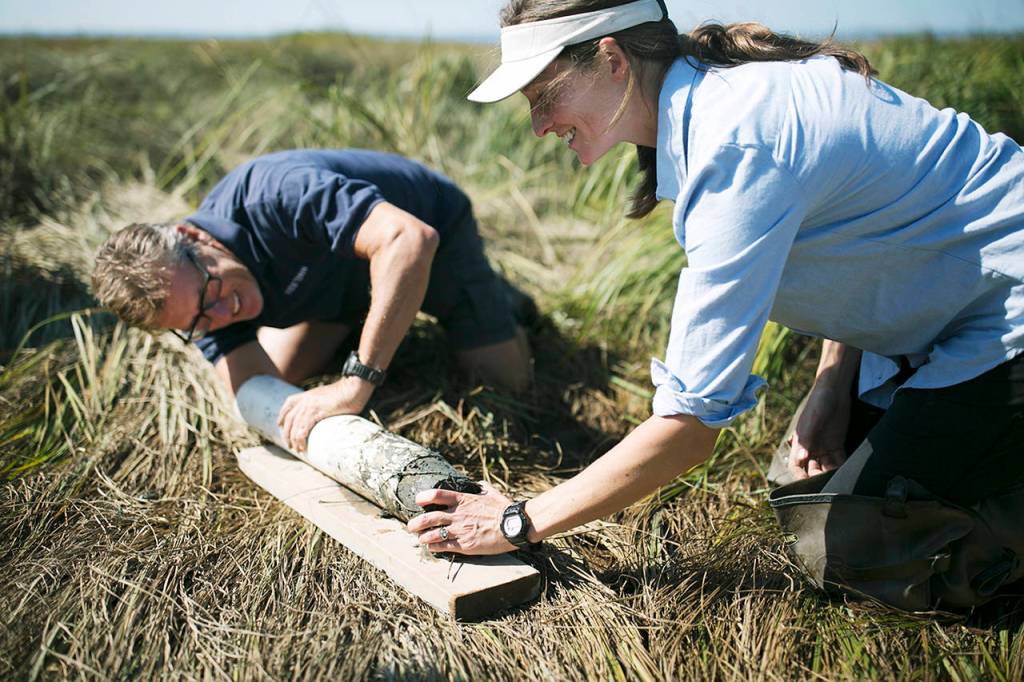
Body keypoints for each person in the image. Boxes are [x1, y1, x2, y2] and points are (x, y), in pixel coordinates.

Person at [406, 0, 1024, 608]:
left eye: (544, 97)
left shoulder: (735, 145)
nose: (539, 126)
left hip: (1007, 315)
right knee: (802, 485)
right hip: (949, 310)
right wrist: (829, 388)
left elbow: (690, 429)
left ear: (612, 59)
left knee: (849, 553)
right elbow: (866, 243)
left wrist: (519, 521)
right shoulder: (720, 99)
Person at [92, 149, 533, 452]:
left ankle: (504, 301)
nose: (224, 315)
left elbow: (409, 238)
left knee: (505, 382)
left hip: (428, 231)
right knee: (281, 386)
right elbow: (254, 392)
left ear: (193, 237)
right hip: (337, 291)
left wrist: (357, 381)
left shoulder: (275, 193)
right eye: (198, 322)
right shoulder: (195, 297)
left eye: (212, 292)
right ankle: (369, 318)